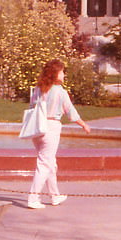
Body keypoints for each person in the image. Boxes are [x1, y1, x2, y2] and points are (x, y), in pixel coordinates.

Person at [26, 59, 91, 210]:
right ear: (55, 74)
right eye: (62, 72)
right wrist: (84, 125)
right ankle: (33, 197)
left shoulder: (39, 89)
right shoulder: (60, 92)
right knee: (44, 164)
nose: (64, 75)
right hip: (51, 127)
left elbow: (31, 107)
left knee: (50, 163)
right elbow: (71, 112)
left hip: (37, 127)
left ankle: (55, 195)